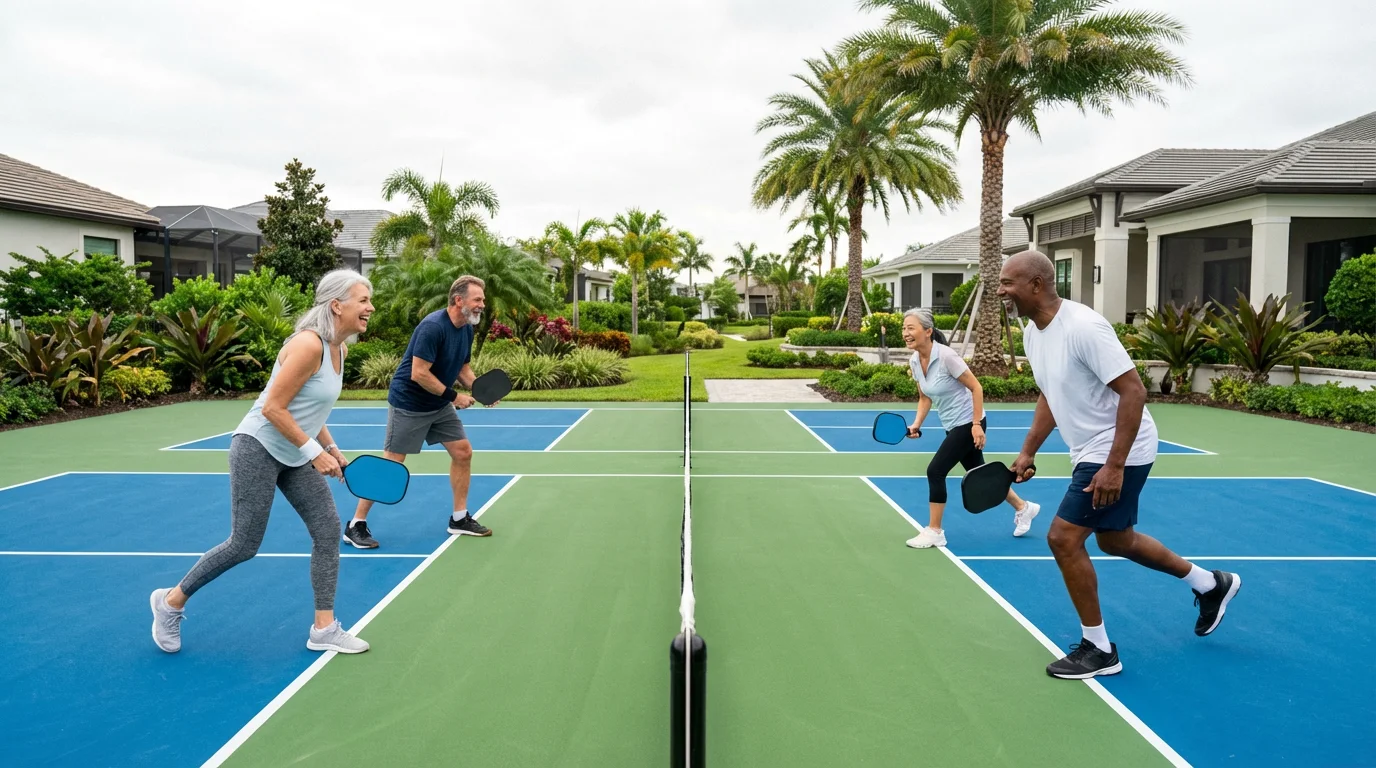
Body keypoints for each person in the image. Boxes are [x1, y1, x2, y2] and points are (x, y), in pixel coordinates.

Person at [998, 250, 1241, 680]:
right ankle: (1209, 583)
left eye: (1007, 283)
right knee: (1115, 541)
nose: (1001, 292)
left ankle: (1099, 649)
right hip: (1092, 448)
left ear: (1036, 284)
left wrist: (1114, 466)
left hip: (1116, 448)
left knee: (1063, 539)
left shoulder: (1084, 327)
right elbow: (1050, 394)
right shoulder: (1034, 333)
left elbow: (1134, 392)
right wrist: (1029, 449)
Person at [150, 269, 375, 655]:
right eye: (363, 300)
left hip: (294, 450)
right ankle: (170, 602)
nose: (370, 307)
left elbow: (311, 409)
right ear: (337, 306)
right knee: (244, 544)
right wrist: (314, 453)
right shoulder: (308, 345)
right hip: (257, 447)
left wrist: (332, 447)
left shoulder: (340, 348)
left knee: (327, 529)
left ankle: (324, 629)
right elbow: (273, 407)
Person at [344, 274, 494, 549]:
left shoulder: (466, 329)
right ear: (458, 300)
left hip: (437, 404)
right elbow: (419, 373)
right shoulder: (432, 327)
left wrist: (480, 391)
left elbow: (462, 369)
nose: (482, 305)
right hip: (410, 404)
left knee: (463, 452)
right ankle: (356, 524)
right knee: (391, 465)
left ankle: (459, 518)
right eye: (477, 299)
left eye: (482, 300)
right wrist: (454, 397)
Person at [901, 307, 1040, 549]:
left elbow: (976, 387)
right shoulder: (915, 360)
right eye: (904, 328)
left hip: (968, 422)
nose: (905, 333)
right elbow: (925, 398)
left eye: (911, 328)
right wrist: (916, 424)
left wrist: (976, 425)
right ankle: (1023, 507)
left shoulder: (946, 357)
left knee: (935, 471)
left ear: (928, 331)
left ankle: (935, 531)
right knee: (979, 472)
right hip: (953, 423)